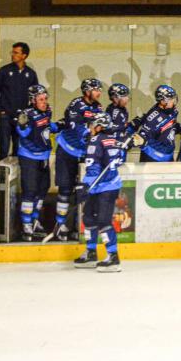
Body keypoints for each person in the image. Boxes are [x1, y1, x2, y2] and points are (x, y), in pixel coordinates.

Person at [73, 112, 127, 272]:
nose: (89, 129)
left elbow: (93, 168)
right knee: (89, 218)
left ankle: (113, 257)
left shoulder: (95, 141)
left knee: (103, 221)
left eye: (91, 125)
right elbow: (120, 158)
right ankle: (90, 253)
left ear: (99, 127)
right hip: (104, 186)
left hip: (106, 187)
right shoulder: (114, 141)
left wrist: (84, 185)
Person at [52, 78, 103, 241]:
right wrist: (88, 133)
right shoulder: (76, 104)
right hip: (67, 152)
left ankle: (75, 225)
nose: (99, 93)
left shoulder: (98, 107)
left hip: (83, 154)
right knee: (65, 189)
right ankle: (60, 225)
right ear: (87, 91)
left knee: (81, 190)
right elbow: (73, 125)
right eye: (96, 90)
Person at [16, 85, 59, 241]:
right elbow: (23, 132)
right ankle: (26, 223)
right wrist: (22, 125)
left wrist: (57, 126)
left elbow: (46, 127)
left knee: (43, 188)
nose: (44, 102)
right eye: (41, 99)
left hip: (44, 156)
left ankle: (34, 218)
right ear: (32, 100)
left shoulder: (47, 111)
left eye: (45, 99)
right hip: (29, 157)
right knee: (30, 190)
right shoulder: (27, 114)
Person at [0, 42, 39, 160]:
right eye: (12, 52)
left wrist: (30, 113)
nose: (13, 55)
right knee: (4, 146)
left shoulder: (31, 74)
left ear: (24, 55)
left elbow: (35, 95)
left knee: (19, 147)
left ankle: (17, 175)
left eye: (16, 53)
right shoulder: (4, 71)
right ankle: (2, 175)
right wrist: (1, 109)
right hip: (6, 115)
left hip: (22, 116)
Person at [131, 85, 179, 162]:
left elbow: (170, 124)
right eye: (171, 99)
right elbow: (142, 137)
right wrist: (139, 141)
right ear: (163, 101)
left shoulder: (172, 110)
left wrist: (179, 129)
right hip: (154, 158)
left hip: (168, 154)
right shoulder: (152, 119)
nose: (173, 101)